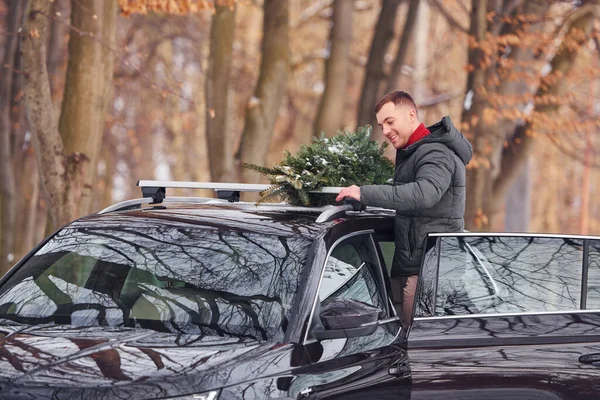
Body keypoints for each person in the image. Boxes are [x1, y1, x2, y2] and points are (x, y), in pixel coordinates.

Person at [336, 91, 472, 327]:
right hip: (410, 266)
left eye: (390, 122)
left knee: (412, 348)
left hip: (429, 271)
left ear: (411, 115)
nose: (386, 131)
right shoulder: (413, 153)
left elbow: (423, 195)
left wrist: (365, 193)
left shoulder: (436, 153)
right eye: (381, 126)